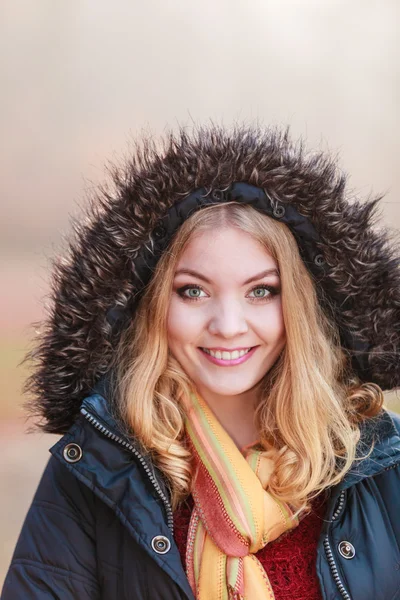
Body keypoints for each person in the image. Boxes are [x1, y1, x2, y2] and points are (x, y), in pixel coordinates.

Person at [2, 124, 400, 600]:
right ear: (154, 308)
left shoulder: (380, 468)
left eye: (261, 291)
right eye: (193, 291)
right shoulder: (95, 469)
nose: (228, 325)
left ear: (297, 305)